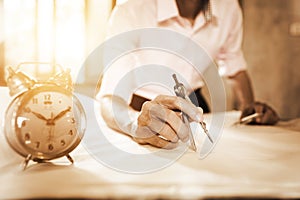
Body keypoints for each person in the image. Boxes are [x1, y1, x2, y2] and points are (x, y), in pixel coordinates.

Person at [97, 0, 279, 149]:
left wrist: (252, 112)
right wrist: (135, 125)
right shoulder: (132, 9)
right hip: (140, 109)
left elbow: (234, 64)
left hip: (197, 110)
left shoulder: (228, 8)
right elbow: (109, 96)